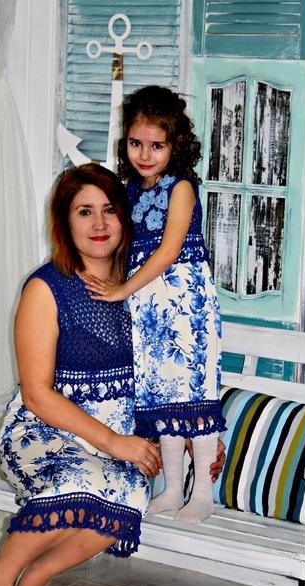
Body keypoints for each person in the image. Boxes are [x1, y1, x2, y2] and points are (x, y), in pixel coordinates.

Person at [0, 163, 224, 586]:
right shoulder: (46, 288)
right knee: (83, 481)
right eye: (84, 212)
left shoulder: (145, 286)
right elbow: (38, 395)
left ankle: (35, 577)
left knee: (128, 493)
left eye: (109, 209)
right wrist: (114, 442)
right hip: (44, 433)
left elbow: (180, 369)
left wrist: (201, 436)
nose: (100, 223)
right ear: (64, 222)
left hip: (122, 441)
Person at [83, 86, 226, 525]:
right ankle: (172, 488)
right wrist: (115, 283)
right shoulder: (128, 189)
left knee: (192, 392)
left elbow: (167, 251)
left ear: (175, 145)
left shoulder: (181, 187)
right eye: (136, 143)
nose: (145, 154)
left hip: (185, 303)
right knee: (160, 393)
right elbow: (122, 244)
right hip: (147, 306)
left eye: (156, 145)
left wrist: (122, 290)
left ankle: (203, 493)